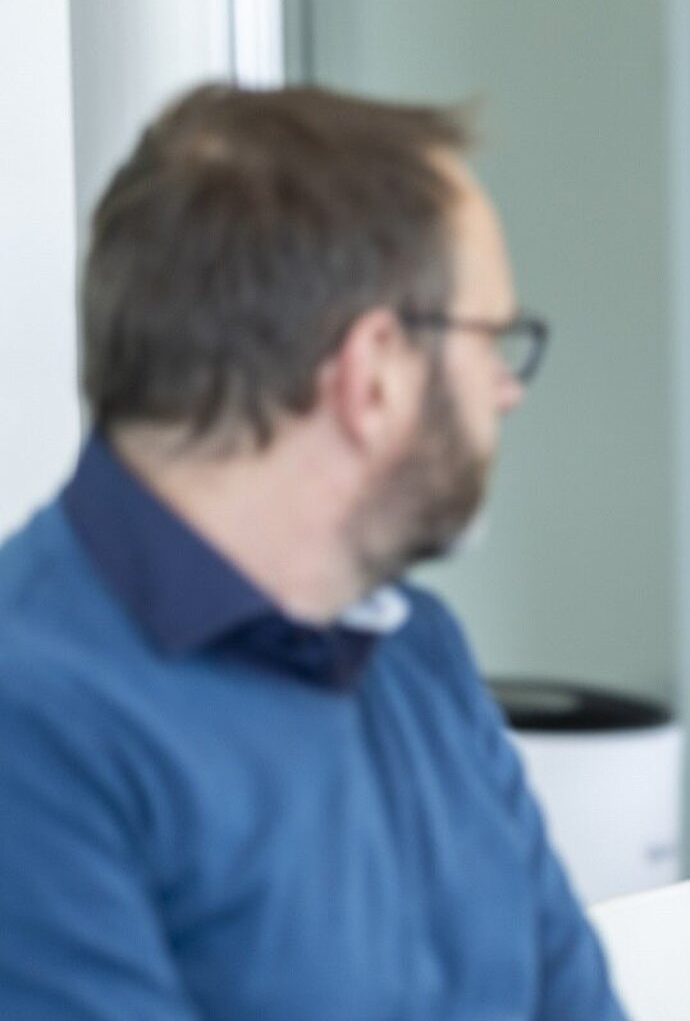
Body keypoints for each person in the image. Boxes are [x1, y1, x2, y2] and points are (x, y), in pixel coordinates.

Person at [0, 85, 623, 1020]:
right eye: (493, 340)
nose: (506, 391)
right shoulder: (35, 719)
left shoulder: (416, 651)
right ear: (371, 374)